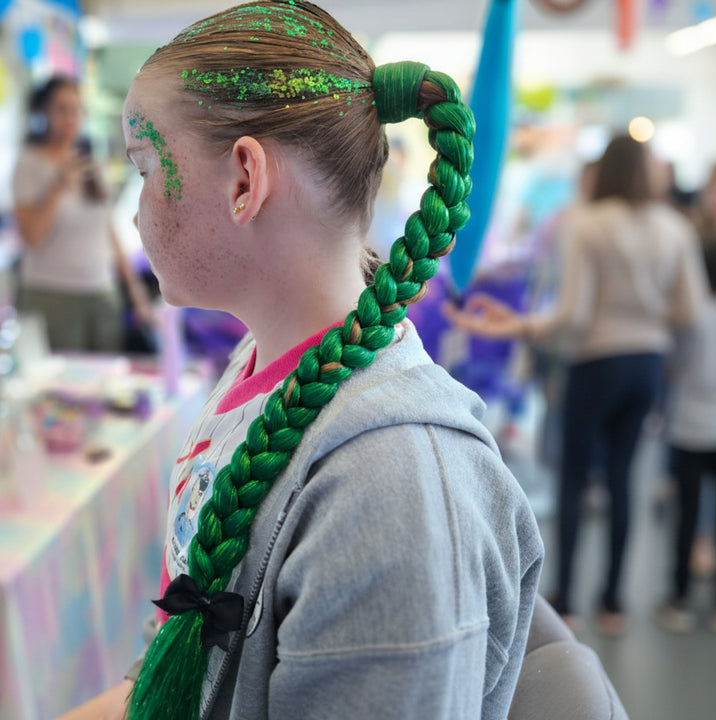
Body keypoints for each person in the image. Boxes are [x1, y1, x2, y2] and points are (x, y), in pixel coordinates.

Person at [56, 2, 544, 719]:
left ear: (243, 181)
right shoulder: (264, 366)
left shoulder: (392, 488)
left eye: (147, 166)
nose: (136, 210)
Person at [445, 134, 708, 635]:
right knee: (622, 478)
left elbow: (574, 313)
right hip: (646, 365)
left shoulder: (583, 222)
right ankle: (614, 603)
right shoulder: (673, 227)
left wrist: (520, 327)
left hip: (594, 364)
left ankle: (565, 597)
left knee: (572, 479)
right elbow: (690, 311)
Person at [13, 75, 151, 353]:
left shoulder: (91, 162)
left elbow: (108, 231)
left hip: (102, 293)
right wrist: (57, 186)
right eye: (61, 109)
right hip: (52, 295)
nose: (70, 117)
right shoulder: (29, 164)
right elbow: (32, 237)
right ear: (44, 113)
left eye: (76, 109)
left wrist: (135, 292)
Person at [654, 240, 716, 634]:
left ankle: (679, 598)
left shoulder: (693, 317)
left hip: (689, 428)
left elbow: (673, 366)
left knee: (688, 516)